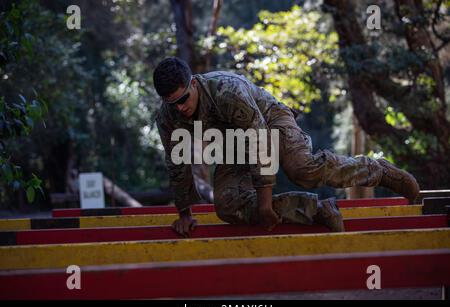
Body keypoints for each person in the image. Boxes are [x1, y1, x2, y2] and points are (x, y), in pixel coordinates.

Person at [153, 57, 420, 237]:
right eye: (172, 103)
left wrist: (266, 205)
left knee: (302, 170)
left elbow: (260, 141)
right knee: (227, 206)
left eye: (184, 99)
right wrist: (184, 213)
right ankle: (318, 210)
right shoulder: (167, 117)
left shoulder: (227, 91)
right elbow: (177, 163)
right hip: (232, 144)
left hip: (269, 121)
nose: (180, 108)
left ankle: (378, 170)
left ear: (194, 84)